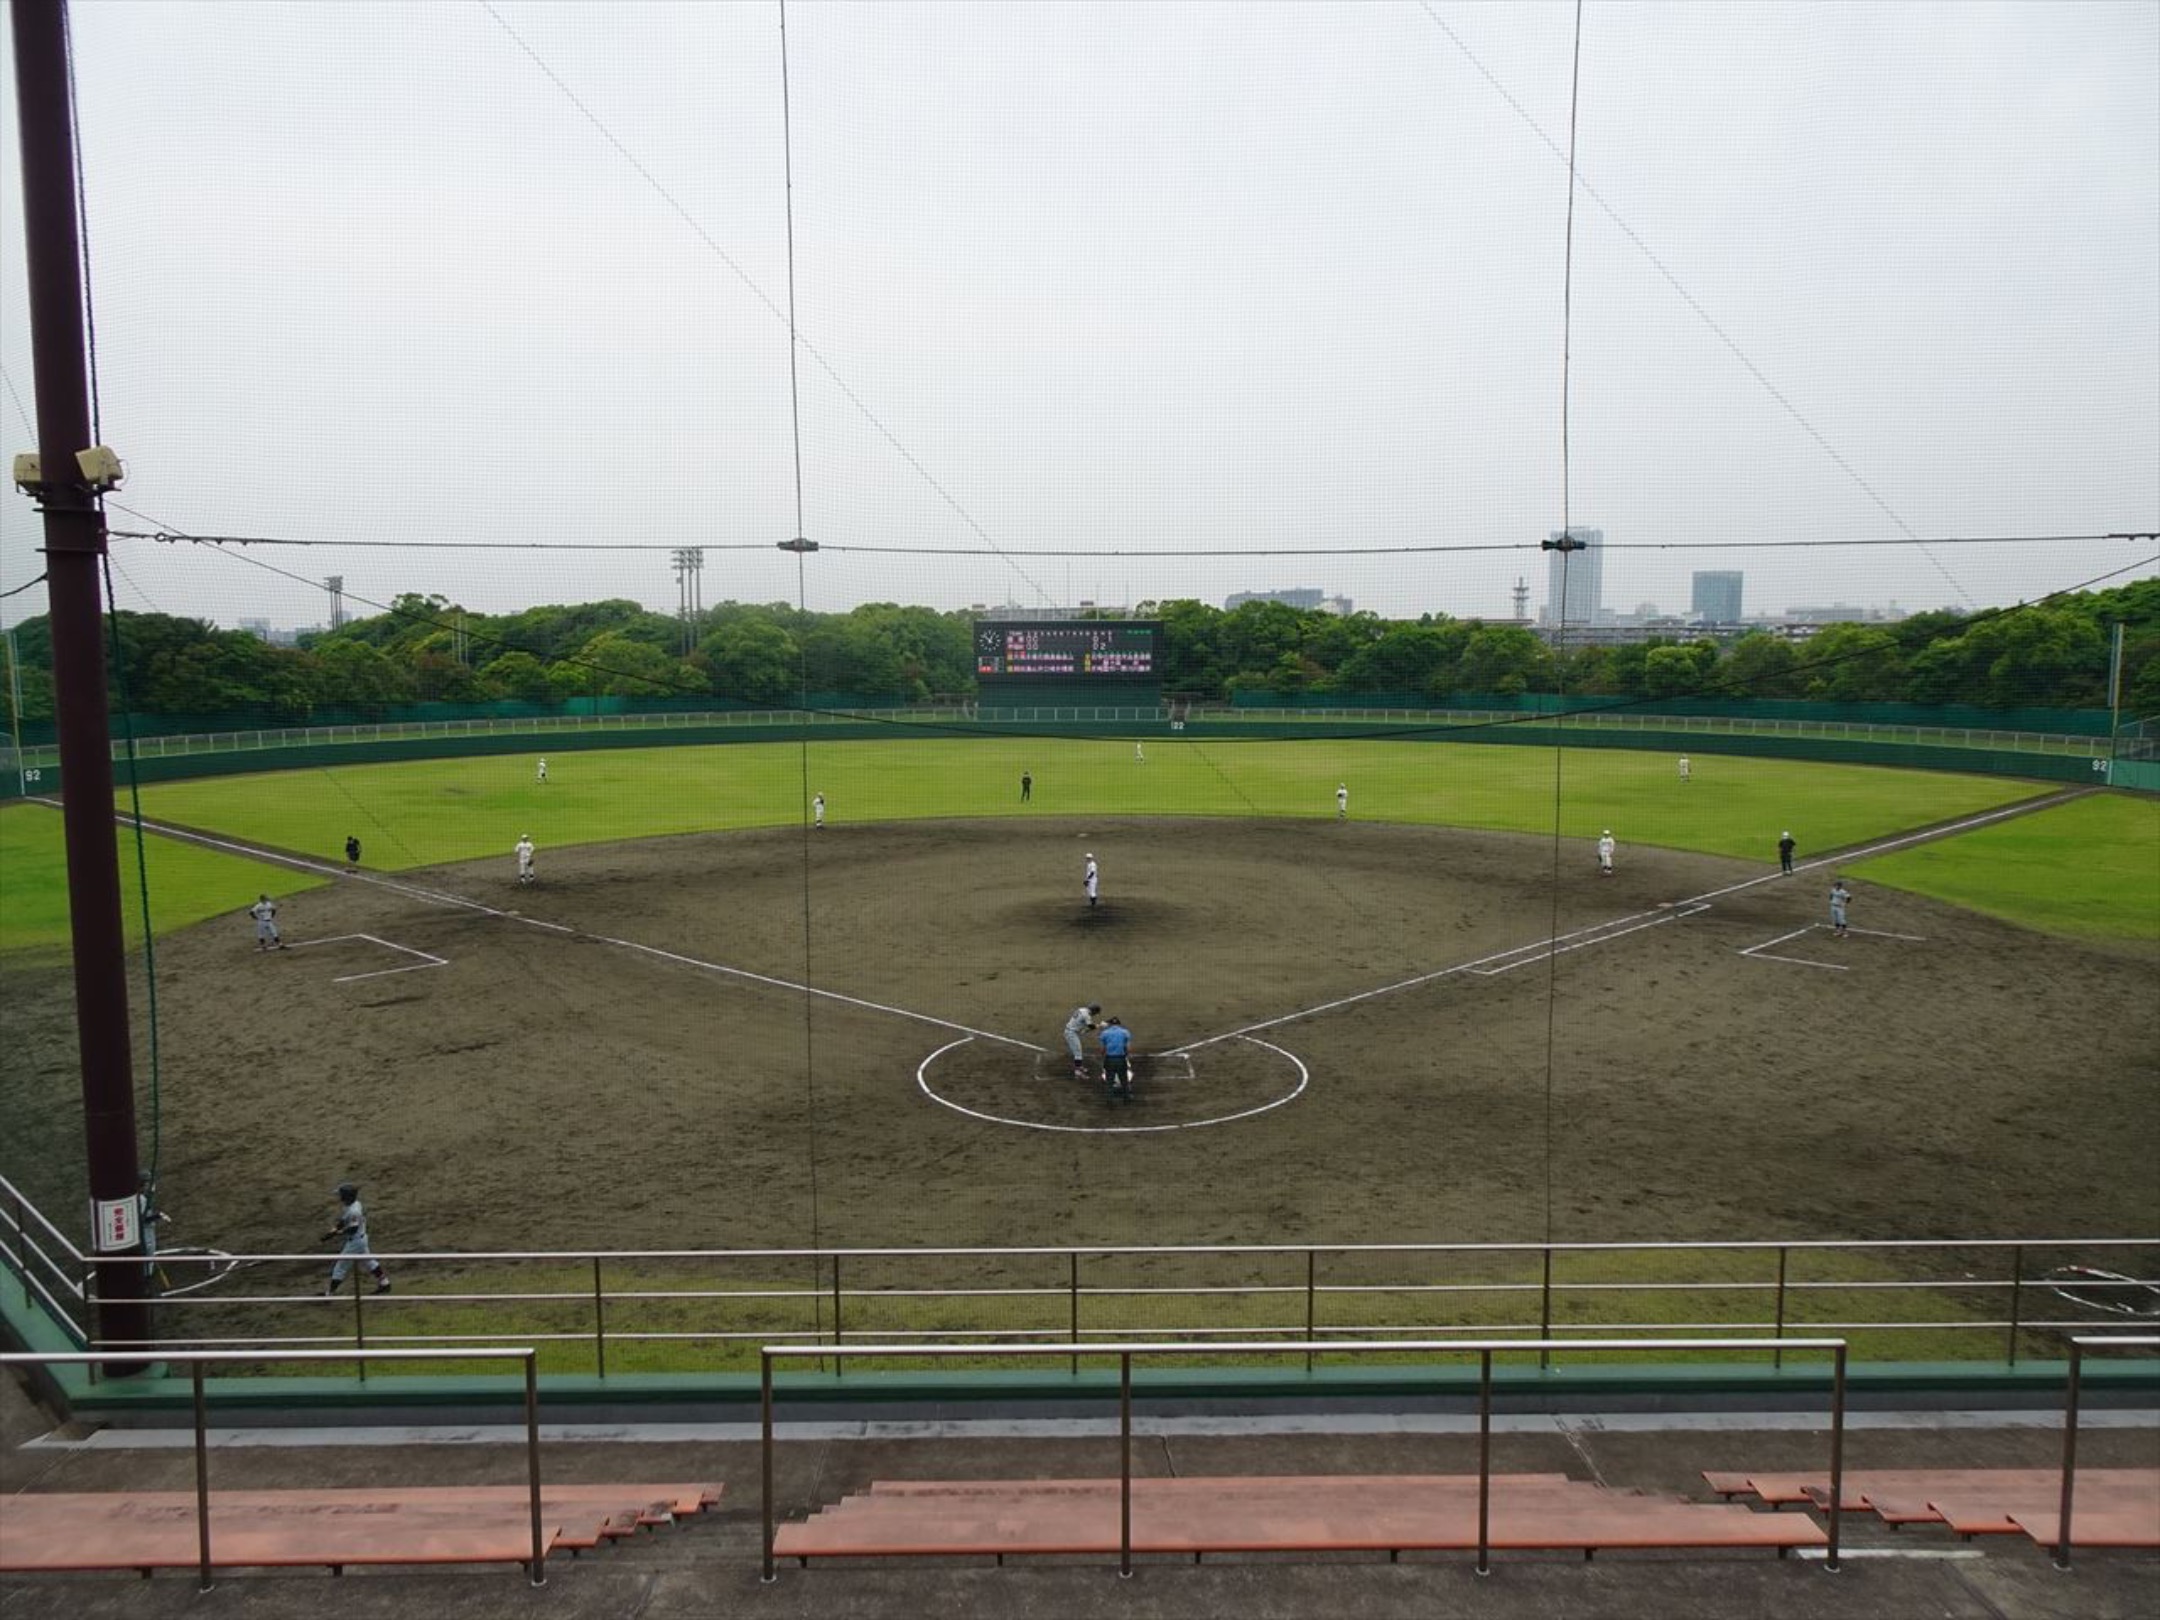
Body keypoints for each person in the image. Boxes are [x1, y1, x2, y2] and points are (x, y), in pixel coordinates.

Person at [323, 1181, 390, 1295]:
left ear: (346, 1196)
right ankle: (385, 1283)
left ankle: (329, 1294)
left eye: (341, 1194)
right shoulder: (355, 1204)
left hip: (356, 1242)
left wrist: (338, 1233)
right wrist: (334, 1230)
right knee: (369, 1262)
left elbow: (353, 1228)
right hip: (361, 1239)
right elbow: (344, 1220)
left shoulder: (354, 1211)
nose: (339, 1197)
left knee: (341, 1266)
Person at [137, 1170, 171, 1285]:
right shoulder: (141, 1199)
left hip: (146, 1230)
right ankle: (146, 1281)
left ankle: (146, 1276)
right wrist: (158, 1216)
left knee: (148, 1254)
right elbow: (143, 1219)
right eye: (147, 1183)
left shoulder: (141, 1197)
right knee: (148, 1253)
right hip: (144, 1231)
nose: (149, 1185)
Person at [1062, 1003, 1103, 1078]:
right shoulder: (1086, 1015)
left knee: (1078, 1051)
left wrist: (1084, 1030)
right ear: (1093, 1011)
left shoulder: (1082, 1009)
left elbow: (1082, 1023)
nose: (1095, 1014)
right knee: (1078, 1052)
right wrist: (1099, 1025)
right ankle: (1077, 1071)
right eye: (1096, 1013)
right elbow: (1090, 1026)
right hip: (1071, 1033)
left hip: (1071, 1031)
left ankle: (1079, 1066)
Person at [1099, 1016, 1133, 1101]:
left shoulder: (1104, 1033)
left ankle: (1109, 1099)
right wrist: (1127, 1056)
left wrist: (1103, 1056)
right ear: (1119, 1024)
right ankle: (1127, 1098)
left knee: (1109, 1081)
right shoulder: (1125, 1032)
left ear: (1110, 1024)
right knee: (1124, 1080)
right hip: (1121, 1059)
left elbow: (1103, 1049)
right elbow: (1128, 1048)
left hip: (1109, 1059)